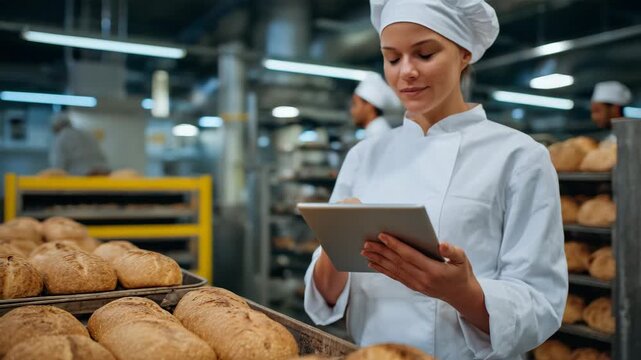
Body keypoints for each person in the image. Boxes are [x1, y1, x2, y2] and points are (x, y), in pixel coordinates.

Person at [303, 0, 568, 359]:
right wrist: (335, 251)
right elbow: (325, 297)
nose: (405, 72)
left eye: (425, 54)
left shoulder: (520, 157)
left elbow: (541, 303)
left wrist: (462, 293)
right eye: (392, 58)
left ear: (464, 54)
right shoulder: (363, 157)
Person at [351, 72, 401, 139]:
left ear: (369, 106)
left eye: (355, 104)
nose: (352, 111)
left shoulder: (377, 133)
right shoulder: (376, 130)